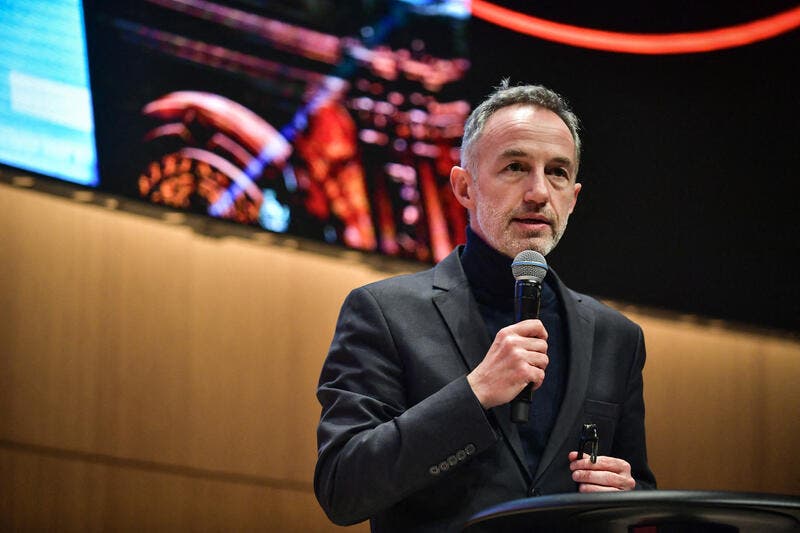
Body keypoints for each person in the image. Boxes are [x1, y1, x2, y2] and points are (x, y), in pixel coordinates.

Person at [314, 81, 657, 532]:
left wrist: (628, 502)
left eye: (556, 172)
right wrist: (474, 394)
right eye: (515, 166)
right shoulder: (384, 312)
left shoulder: (618, 338)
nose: (539, 192)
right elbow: (343, 487)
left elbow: (642, 500)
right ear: (464, 187)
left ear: (572, 199)